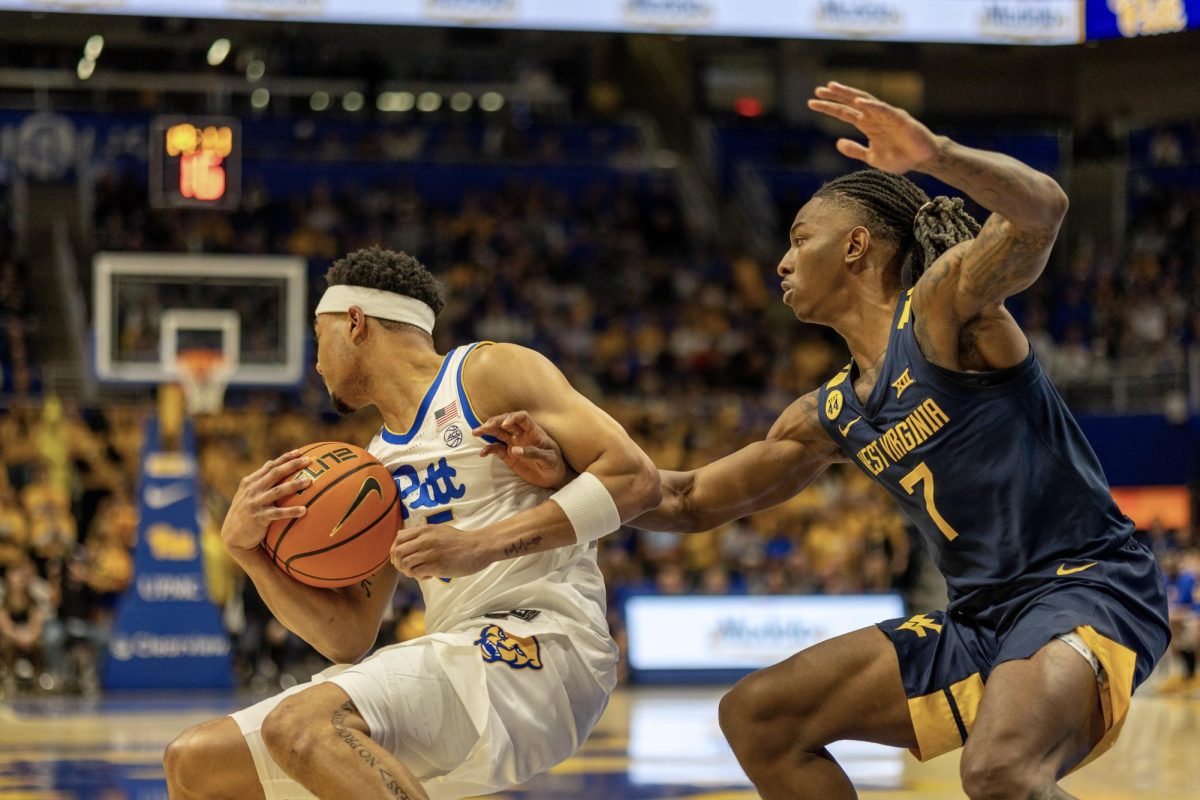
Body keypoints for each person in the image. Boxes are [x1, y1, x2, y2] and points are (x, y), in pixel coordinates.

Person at [397, 83, 1171, 800]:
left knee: (999, 770)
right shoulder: (829, 411)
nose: (782, 257)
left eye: (801, 239)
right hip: (981, 616)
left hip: (1085, 586)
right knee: (760, 716)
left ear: (859, 247)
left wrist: (935, 155)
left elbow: (1042, 211)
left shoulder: (942, 313)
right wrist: (561, 471)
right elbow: (684, 499)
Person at [164, 246, 661, 800]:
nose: (317, 361)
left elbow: (636, 479)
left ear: (354, 323)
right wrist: (249, 554)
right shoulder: (375, 466)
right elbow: (349, 637)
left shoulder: (486, 372)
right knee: (195, 764)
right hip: (460, 660)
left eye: (317, 336)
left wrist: (480, 546)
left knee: (302, 726)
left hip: (543, 642)